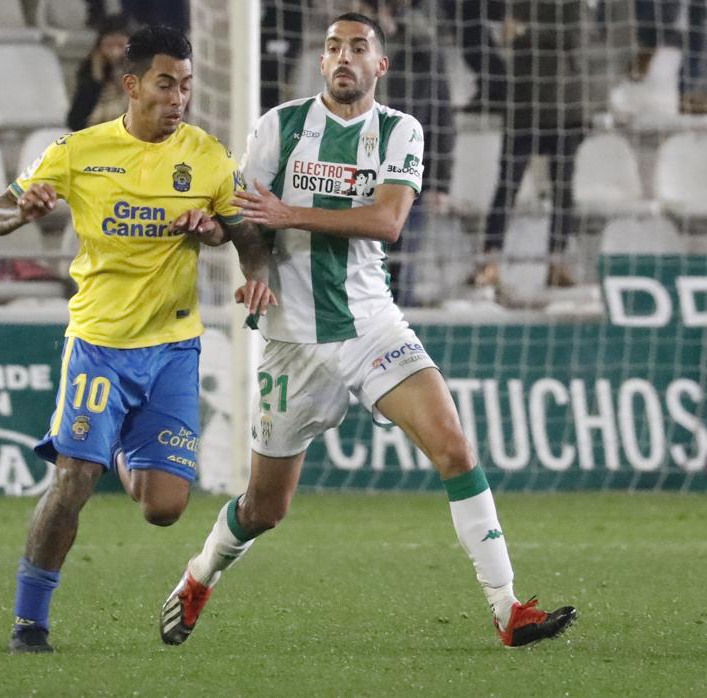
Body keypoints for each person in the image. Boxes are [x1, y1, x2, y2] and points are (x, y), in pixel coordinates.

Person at [158, 13, 576, 649]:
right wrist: (220, 236)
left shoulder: (399, 130)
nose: (344, 57)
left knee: (455, 450)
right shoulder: (280, 127)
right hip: (290, 338)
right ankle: (199, 575)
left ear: (381, 65)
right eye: (333, 48)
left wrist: (287, 212)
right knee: (264, 509)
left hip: (371, 326)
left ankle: (506, 609)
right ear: (321, 64)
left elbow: (387, 222)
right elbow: (250, 226)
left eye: (358, 47)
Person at [0, 24, 269, 654]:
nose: (179, 97)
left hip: (170, 350)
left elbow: (246, 237)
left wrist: (247, 267)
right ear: (132, 85)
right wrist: (22, 211)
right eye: (166, 84)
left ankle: (107, 443)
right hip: (99, 345)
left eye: (186, 85)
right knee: (73, 481)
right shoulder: (78, 151)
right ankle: (30, 621)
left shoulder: (209, 157)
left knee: (164, 508)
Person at [472, 0, 588, 289]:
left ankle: (557, 263)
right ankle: (490, 260)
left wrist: (525, 32)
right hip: (524, 105)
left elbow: (571, 38)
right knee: (507, 185)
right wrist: (509, 34)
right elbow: (505, 35)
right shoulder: (520, 3)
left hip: (564, 106)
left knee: (563, 189)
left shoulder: (573, 6)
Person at [359, 0, 457, 305]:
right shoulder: (351, 57)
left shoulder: (424, 56)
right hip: (358, 176)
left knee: (400, 269)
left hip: (407, 177)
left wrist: (440, 182)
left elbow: (441, 120)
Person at [67, 14, 133, 132]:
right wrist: (96, 78)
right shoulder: (89, 73)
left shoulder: (143, 72)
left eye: (120, 46)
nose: (115, 53)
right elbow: (75, 122)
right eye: (109, 46)